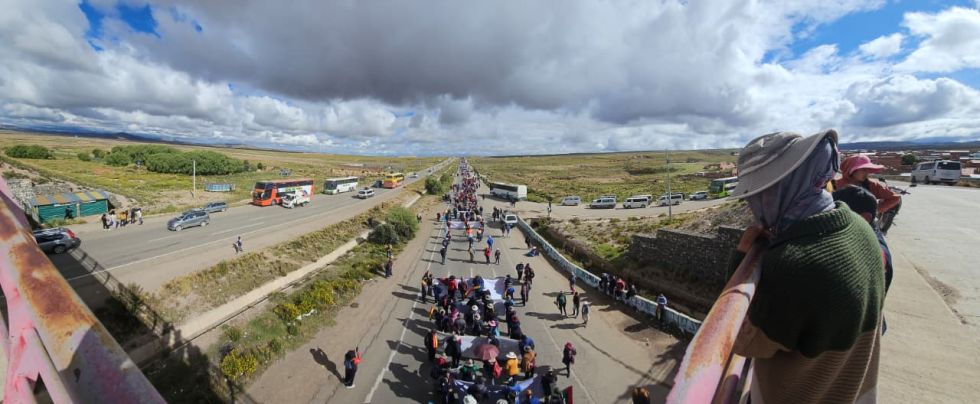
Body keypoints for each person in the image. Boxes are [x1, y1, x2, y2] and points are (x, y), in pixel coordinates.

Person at [729, 130, 884, 404]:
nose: (752, 204)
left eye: (760, 192)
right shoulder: (860, 228)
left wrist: (741, 258)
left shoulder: (792, 265)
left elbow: (741, 341)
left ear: (782, 188)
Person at [834, 154, 901, 219]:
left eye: (868, 169)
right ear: (851, 170)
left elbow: (894, 198)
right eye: (863, 169)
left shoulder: (872, 185)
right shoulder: (834, 184)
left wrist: (875, 210)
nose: (867, 173)